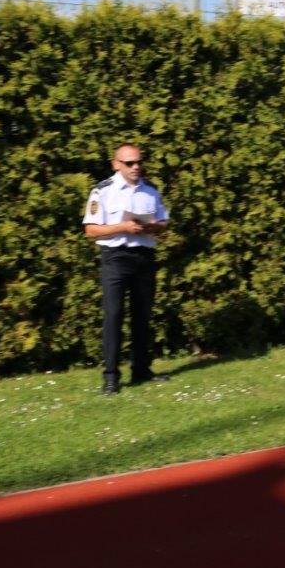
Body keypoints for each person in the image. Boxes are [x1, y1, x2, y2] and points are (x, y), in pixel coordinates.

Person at [82, 144, 170, 394]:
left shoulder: (150, 190)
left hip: (144, 256)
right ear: (116, 164)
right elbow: (90, 230)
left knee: (142, 316)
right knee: (113, 315)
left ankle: (141, 369)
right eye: (129, 163)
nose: (136, 167)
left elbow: (164, 221)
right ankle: (111, 377)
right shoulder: (103, 191)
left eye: (139, 162)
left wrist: (153, 227)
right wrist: (122, 227)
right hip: (116, 258)